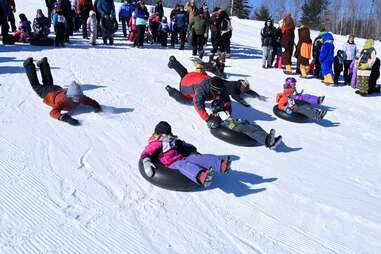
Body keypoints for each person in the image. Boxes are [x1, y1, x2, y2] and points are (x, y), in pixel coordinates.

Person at [140, 121, 231, 187]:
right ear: (161, 134)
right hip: (170, 164)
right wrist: (146, 162)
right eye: (167, 133)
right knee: (183, 165)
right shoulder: (156, 143)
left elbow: (178, 143)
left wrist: (185, 145)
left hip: (180, 157)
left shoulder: (169, 138)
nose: (170, 134)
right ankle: (201, 176)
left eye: (169, 133)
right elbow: (146, 153)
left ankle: (221, 165)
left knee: (196, 158)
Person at [23, 57, 101, 125]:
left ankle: (43, 64)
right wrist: (65, 118)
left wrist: (97, 106)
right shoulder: (62, 101)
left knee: (48, 81)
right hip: (48, 94)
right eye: (75, 97)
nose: (77, 99)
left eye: (78, 96)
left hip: (57, 90)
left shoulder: (80, 97)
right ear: (69, 96)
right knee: (35, 85)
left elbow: (90, 101)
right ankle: (28, 65)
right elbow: (53, 112)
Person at [208, 99, 282, 149]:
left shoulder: (223, 113)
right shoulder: (216, 115)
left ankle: (270, 139)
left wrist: (240, 121)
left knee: (256, 127)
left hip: (237, 124)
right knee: (249, 129)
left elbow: (230, 120)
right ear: (218, 107)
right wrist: (214, 123)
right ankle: (268, 142)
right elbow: (210, 123)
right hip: (233, 128)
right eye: (222, 105)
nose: (224, 106)